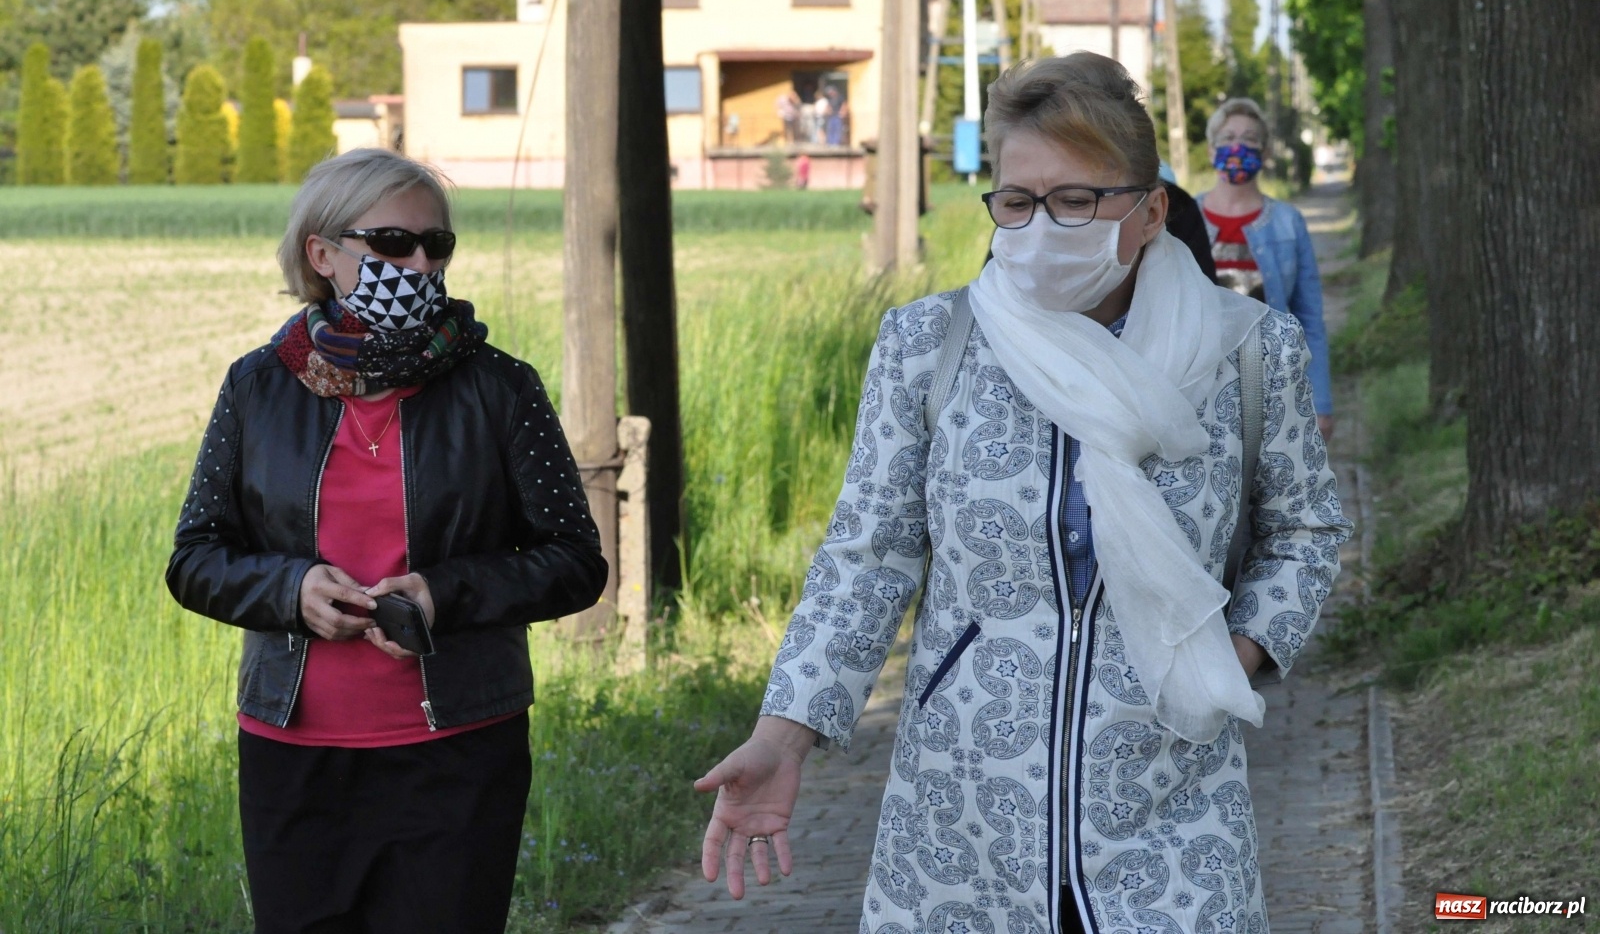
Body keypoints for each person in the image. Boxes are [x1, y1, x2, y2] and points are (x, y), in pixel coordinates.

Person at [696, 53, 1351, 934]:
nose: (1043, 226)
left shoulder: (1246, 351)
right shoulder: (929, 344)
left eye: (1077, 199)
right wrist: (784, 734)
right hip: (960, 830)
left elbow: (1307, 530)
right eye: (1017, 201)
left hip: (1173, 811)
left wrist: (1234, 657)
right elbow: (867, 555)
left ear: (1151, 208)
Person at [166, 147, 608, 933]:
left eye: (436, 246)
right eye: (394, 244)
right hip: (293, 757)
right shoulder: (257, 386)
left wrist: (444, 593)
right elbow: (195, 556)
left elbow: (574, 561)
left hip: (459, 751)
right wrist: (289, 591)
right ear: (324, 254)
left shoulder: (501, 388)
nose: (420, 264)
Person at [1197, 98, 1335, 441]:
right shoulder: (1184, 217)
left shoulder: (1288, 222)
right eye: (1227, 137)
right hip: (1199, 386)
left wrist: (1321, 401)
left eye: (1249, 138)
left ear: (1265, 150)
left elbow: (1309, 318)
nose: (1237, 146)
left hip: (1272, 385)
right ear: (1211, 147)